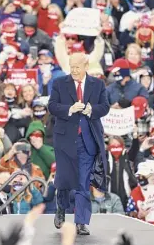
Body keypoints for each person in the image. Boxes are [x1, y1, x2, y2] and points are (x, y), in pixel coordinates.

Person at [48, 52, 110, 235]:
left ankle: (81, 222)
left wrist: (92, 110)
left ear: (86, 66)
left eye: (77, 66)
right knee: (64, 179)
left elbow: (105, 107)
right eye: (71, 66)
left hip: (87, 140)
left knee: (83, 182)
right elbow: (51, 106)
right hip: (65, 141)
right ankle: (61, 208)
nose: (74, 70)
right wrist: (69, 109)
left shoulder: (97, 85)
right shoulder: (60, 83)